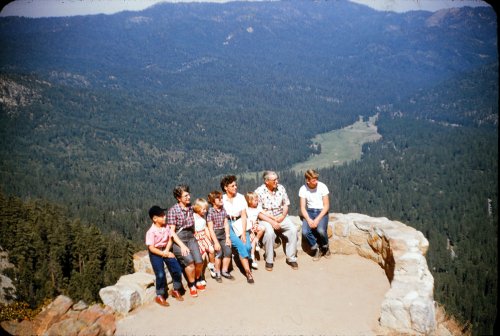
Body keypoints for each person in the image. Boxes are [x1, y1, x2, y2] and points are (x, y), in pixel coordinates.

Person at [255, 170, 299, 270]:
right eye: (274, 180)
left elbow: (286, 204)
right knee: (269, 233)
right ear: (267, 181)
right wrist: (272, 222)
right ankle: (269, 260)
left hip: (280, 215)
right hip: (267, 218)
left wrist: (283, 216)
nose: (277, 181)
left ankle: (291, 258)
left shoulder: (281, 188)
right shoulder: (259, 192)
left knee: (293, 230)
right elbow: (259, 212)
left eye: (277, 179)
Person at [167, 184, 205, 298]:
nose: (188, 197)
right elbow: (172, 232)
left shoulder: (190, 208)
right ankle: (192, 284)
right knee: (190, 262)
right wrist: (182, 246)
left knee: (199, 261)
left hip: (191, 237)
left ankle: (198, 278)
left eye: (188, 195)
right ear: (179, 198)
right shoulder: (173, 211)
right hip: (179, 239)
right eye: (185, 196)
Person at [145, 205, 185, 306]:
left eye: (164, 215)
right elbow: (151, 248)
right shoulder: (151, 232)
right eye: (162, 216)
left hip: (165, 249)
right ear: (155, 219)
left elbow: (171, 238)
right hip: (156, 253)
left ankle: (176, 289)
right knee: (160, 274)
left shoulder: (166, 227)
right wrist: (163, 253)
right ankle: (160, 295)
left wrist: (167, 250)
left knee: (177, 269)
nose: (165, 217)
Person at [220, 175, 255, 284]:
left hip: (240, 222)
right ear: (226, 187)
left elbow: (244, 215)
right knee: (240, 245)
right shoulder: (222, 199)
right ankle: (248, 272)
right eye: (232, 186)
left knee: (247, 246)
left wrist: (244, 233)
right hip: (228, 223)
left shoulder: (240, 197)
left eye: (236, 185)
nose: (235, 187)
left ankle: (243, 259)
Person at [299, 169, 331, 261]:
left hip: (321, 211)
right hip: (309, 211)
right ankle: (316, 247)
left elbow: (326, 206)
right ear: (307, 180)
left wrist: (317, 220)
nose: (316, 181)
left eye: (316, 178)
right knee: (305, 232)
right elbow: (302, 207)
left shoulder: (322, 187)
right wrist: (309, 220)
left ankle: (325, 246)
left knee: (321, 230)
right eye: (313, 180)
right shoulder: (303, 189)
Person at [206, 190, 233, 283]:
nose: (221, 200)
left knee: (228, 251)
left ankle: (224, 271)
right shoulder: (210, 212)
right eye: (219, 199)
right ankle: (217, 272)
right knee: (219, 253)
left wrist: (228, 237)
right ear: (213, 201)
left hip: (223, 233)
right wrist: (216, 242)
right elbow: (210, 228)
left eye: (221, 198)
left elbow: (226, 224)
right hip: (215, 234)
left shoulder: (223, 209)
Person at [192, 198, 216, 284]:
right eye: (203, 209)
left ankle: (212, 265)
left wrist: (210, 239)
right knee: (202, 256)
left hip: (203, 235)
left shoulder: (203, 216)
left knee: (211, 249)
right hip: (196, 236)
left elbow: (205, 227)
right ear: (197, 208)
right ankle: (200, 275)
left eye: (206, 209)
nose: (205, 211)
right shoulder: (193, 216)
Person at [244, 191, 266, 270]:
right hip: (248, 227)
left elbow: (265, 213)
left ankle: (256, 241)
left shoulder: (258, 208)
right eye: (255, 200)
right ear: (249, 201)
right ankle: (252, 259)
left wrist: (273, 218)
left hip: (254, 225)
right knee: (251, 242)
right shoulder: (246, 209)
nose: (257, 202)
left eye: (257, 200)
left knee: (262, 228)